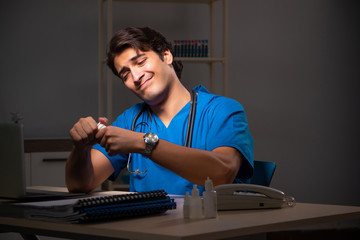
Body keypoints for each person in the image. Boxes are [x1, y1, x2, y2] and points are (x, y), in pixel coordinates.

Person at [66, 27, 254, 195]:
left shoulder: (221, 110)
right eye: (125, 74)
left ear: (166, 56)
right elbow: (80, 184)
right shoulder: (131, 120)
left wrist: (143, 143)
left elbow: (223, 173)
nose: (136, 76)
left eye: (140, 62)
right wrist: (80, 149)